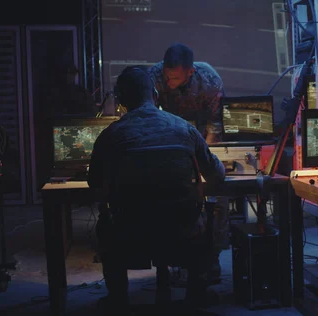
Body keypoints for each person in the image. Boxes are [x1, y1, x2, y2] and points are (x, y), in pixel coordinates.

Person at [88, 66, 225, 310]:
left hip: (130, 233)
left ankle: (118, 299)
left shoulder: (110, 135)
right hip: (183, 230)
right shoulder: (184, 128)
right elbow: (216, 175)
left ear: (120, 101)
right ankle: (196, 296)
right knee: (208, 217)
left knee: (104, 223)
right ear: (154, 93)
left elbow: (96, 187)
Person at [149, 43, 228, 282]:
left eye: (175, 77)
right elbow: (146, 119)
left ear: (190, 72)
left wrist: (207, 162)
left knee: (215, 197)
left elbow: (215, 124)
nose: (169, 81)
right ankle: (172, 259)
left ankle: (211, 258)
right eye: (167, 75)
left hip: (201, 138)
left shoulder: (210, 80)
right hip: (167, 140)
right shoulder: (153, 77)